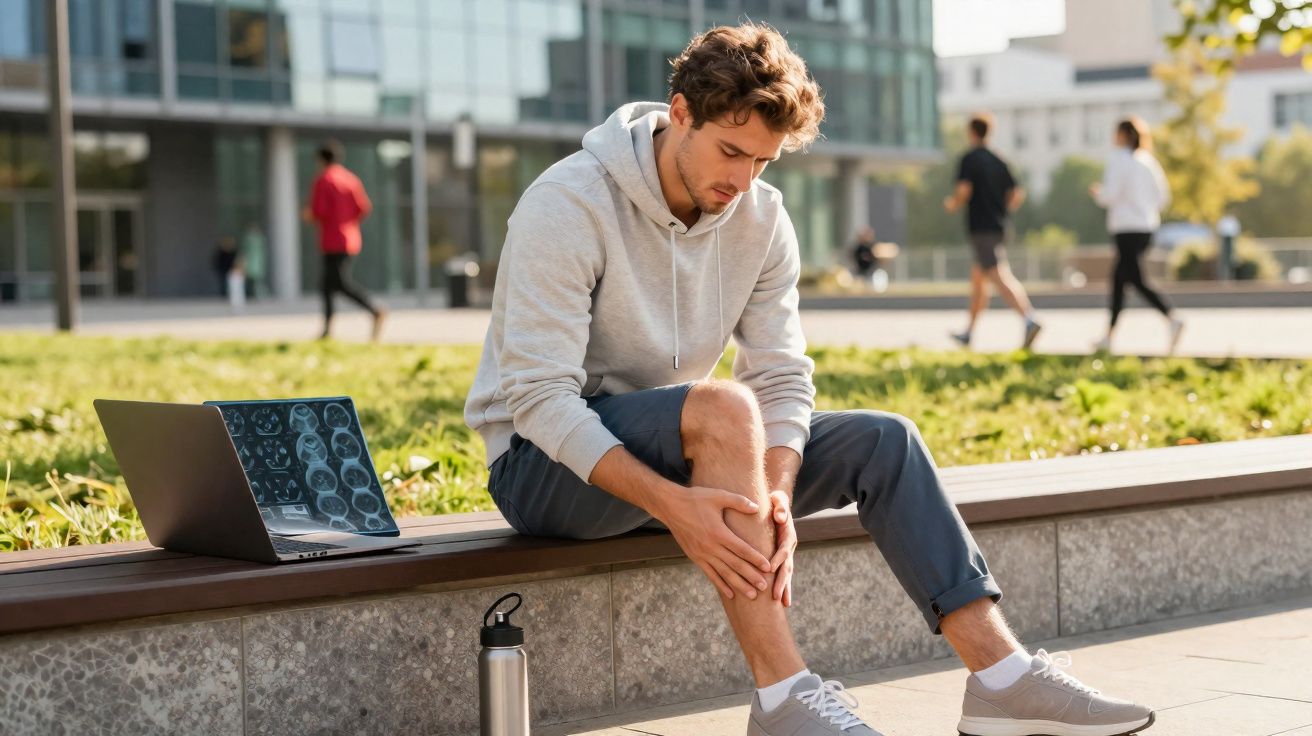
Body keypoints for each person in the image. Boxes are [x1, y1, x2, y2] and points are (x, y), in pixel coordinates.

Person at [464, 23, 1153, 736]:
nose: (742, 180)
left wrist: (775, 492)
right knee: (726, 409)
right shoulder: (569, 201)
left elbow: (783, 376)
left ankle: (1002, 679)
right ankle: (784, 698)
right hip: (542, 467)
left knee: (886, 442)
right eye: (731, 151)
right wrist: (677, 505)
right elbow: (539, 399)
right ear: (679, 114)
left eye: (762, 161)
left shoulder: (760, 217)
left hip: (680, 445)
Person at [943, 114, 1042, 350]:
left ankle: (1029, 319)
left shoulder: (970, 159)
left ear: (971, 132)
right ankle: (968, 333)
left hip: (981, 226)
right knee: (979, 281)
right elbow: (1016, 193)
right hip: (999, 225)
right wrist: (1001, 208)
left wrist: (953, 204)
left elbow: (963, 191)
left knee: (997, 274)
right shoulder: (1000, 160)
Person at [1090, 117, 1183, 354]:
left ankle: (1172, 317)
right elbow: (1163, 198)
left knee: (1134, 279)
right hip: (1146, 227)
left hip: (1126, 228)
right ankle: (1109, 336)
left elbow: (1109, 195)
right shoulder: (1148, 162)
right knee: (1120, 280)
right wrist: (1143, 206)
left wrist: (1099, 193)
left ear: (1122, 135)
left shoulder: (1119, 160)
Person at [303, 140, 386, 341]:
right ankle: (327, 329)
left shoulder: (324, 180)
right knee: (327, 284)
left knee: (338, 283)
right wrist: (347, 221)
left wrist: (308, 215)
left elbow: (317, 211)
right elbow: (363, 208)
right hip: (350, 238)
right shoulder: (351, 179)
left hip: (332, 240)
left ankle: (374, 309)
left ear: (321, 159)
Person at [850, 226, 887, 293]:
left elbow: (877, 257)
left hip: (872, 270)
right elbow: (853, 256)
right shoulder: (859, 247)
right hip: (861, 270)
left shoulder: (872, 246)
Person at [240, 220, 269, 300]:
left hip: (253, 264)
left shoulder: (250, 238)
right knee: (256, 282)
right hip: (256, 264)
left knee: (254, 282)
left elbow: (245, 252)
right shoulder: (260, 238)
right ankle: (258, 295)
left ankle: (255, 295)